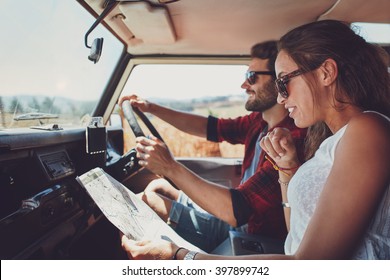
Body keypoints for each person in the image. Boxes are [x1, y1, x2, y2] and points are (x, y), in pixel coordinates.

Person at [121, 19, 390, 260]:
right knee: (154, 192)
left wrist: (181, 258)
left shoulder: (365, 130)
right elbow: (295, 231)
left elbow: (308, 263)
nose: (281, 97)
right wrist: (288, 170)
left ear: (326, 73)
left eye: (284, 82)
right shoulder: (328, 139)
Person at [119, 41, 307, 252]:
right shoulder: (258, 122)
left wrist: (170, 166)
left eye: (252, 77)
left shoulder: (289, 140)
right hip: (240, 219)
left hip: (250, 233)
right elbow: (209, 127)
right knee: (156, 187)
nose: (244, 86)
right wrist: (151, 108)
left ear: (278, 81)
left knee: (144, 201)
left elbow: (237, 212)